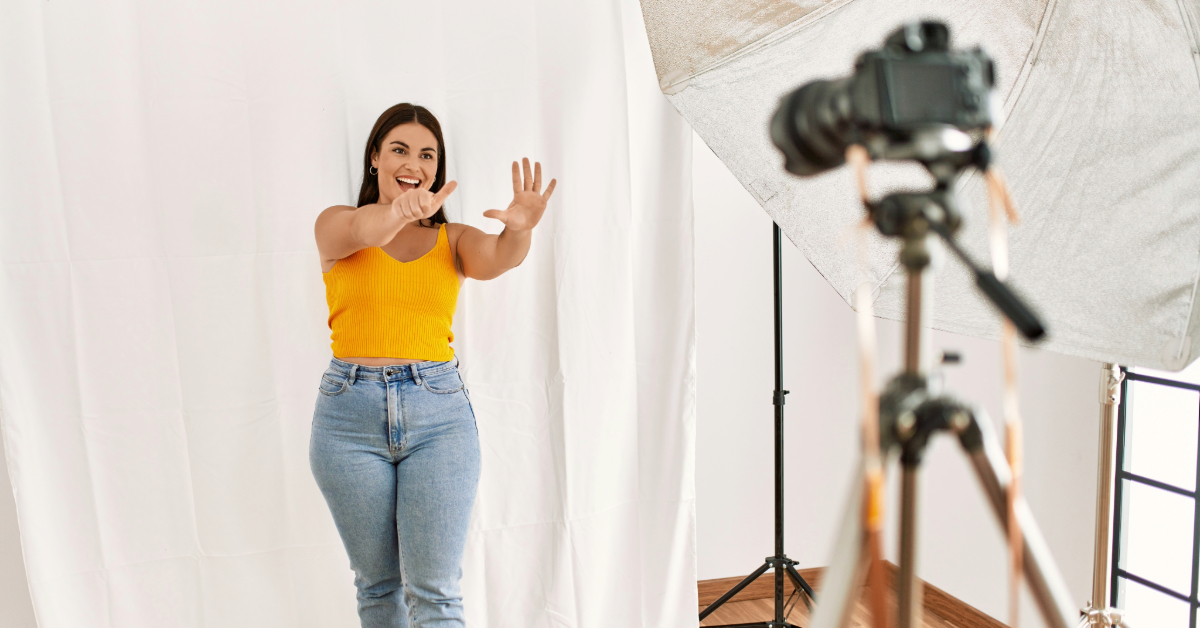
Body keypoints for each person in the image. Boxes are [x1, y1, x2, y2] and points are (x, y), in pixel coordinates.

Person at [310, 103, 556, 627]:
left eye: (427, 154)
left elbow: (498, 259)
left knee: (436, 593)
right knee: (377, 588)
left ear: (437, 168)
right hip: (347, 420)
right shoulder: (338, 227)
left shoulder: (455, 239)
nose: (413, 162)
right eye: (399, 149)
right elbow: (367, 228)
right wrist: (398, 211)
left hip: (437, 416)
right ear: (375, 156)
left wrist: (520, 230)